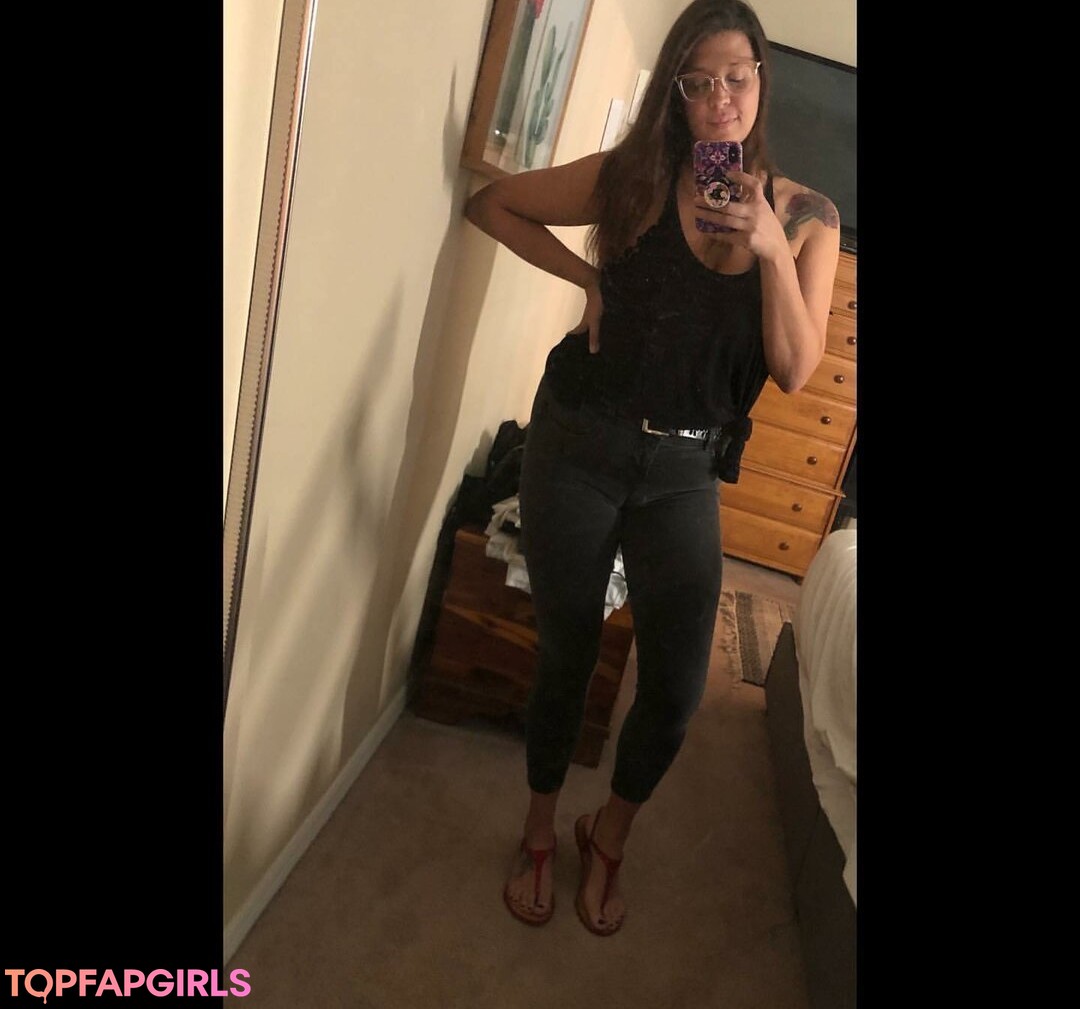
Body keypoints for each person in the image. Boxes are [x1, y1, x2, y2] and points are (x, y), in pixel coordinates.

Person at [464, 0, 840, 937]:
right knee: (568, 653)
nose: (721, 101)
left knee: (675, 686)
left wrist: (769, 249)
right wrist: (587, 278)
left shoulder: (806, 216)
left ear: (762, 82)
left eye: (737, 79)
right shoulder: (633, 180)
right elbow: (492, 204)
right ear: (676, 93)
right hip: (579, 441)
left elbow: (796, 369)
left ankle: (608, 833)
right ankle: (540, 827)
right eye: (698, 82)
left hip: (682, 470)